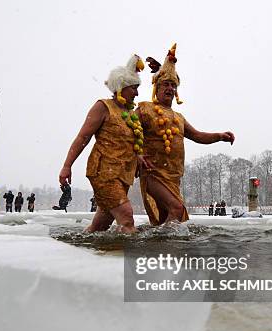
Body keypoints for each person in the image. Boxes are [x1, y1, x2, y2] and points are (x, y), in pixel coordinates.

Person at [136, 43, 234, 225]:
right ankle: (169, 241)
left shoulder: (178, 118)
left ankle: (160, 245)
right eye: (165, 84)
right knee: (177, 209)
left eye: (173, 85)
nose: (170, 88)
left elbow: (198, 136)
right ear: (156, 88)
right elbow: (129, 133)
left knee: (167, 217)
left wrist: (220, 136)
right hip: (153, 173)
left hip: (173, 176)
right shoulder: (144, 109)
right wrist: (138, 154)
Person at [59, 55, 145, 233]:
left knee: (100, 226)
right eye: (134, 88)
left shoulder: (130, 114)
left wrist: (138, 157)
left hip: (123, 175)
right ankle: (131, 256)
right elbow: (83, 137)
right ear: (121, 87)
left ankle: (79, 246)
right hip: (104, 172)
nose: (137, 93)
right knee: (126, 218)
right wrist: (67, 166)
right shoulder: (103, 107)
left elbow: (129, 141)